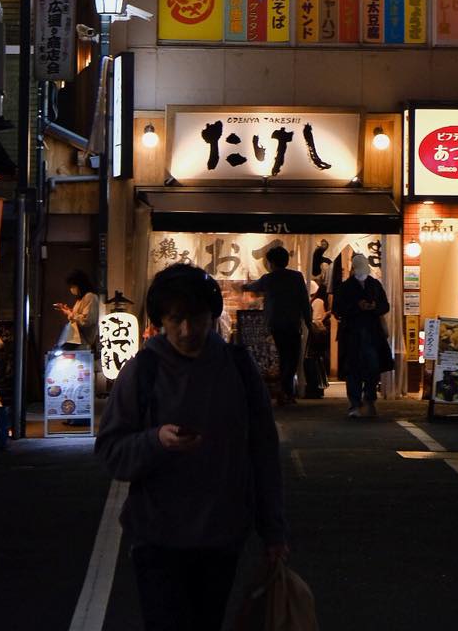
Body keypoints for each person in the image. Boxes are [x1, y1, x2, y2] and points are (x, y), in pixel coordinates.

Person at [95, 264, 288, 631]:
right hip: (157, 536)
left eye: (196, 317)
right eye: (175, 319)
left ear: (212, 316)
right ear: (161, 321)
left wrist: (273, 530)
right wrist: (156, 441)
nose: (187, 330)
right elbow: (110, 451)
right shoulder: (143, 371)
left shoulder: (238, 367)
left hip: (222, 534)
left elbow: (263, 450)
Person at [243, 247, 311, 406]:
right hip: (293, 323)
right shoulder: (296, 277)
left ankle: (285, 392)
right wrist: (309, 322)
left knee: (284, 356)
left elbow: (253, 287)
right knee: (292, 358)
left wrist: (243, 287)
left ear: (272, 262)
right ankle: (286, 392)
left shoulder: (269, 279)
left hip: (276, 324)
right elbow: (304, 301)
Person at [332, 252, 390, 419]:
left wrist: (374, 306)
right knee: (354, 369)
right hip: (353, 333)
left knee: (373, 368)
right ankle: (355, 403)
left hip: (372, 333)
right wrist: (357, 307)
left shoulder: (374, 284)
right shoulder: (345, 287)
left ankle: (368, 398)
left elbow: (385, 306)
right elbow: (337, 310)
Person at [54, 269, 99, 349]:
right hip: (77, 341)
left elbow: (86, 321)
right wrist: (68, 310)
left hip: (83, 342)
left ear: (80, 285)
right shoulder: (80, 299)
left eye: (73, 286)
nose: (71, 289)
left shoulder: (90, 297)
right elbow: (78, 315)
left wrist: (70, 314)